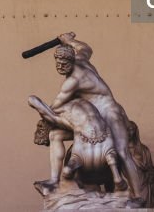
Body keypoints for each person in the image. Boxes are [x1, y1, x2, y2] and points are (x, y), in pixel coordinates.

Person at [40, 32, 148, 203]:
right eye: (57, 63)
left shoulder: (73, 81)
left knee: (122, 151)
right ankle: (54, 180)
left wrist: (41, 112)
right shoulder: (82, 60)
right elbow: (85, 48)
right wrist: (70, 41)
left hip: (109, 112)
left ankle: (137, 195)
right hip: (92, 119)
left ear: (72, 61)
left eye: (64, 63)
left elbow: (56, 107)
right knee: (55, 135)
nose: (60, 66)